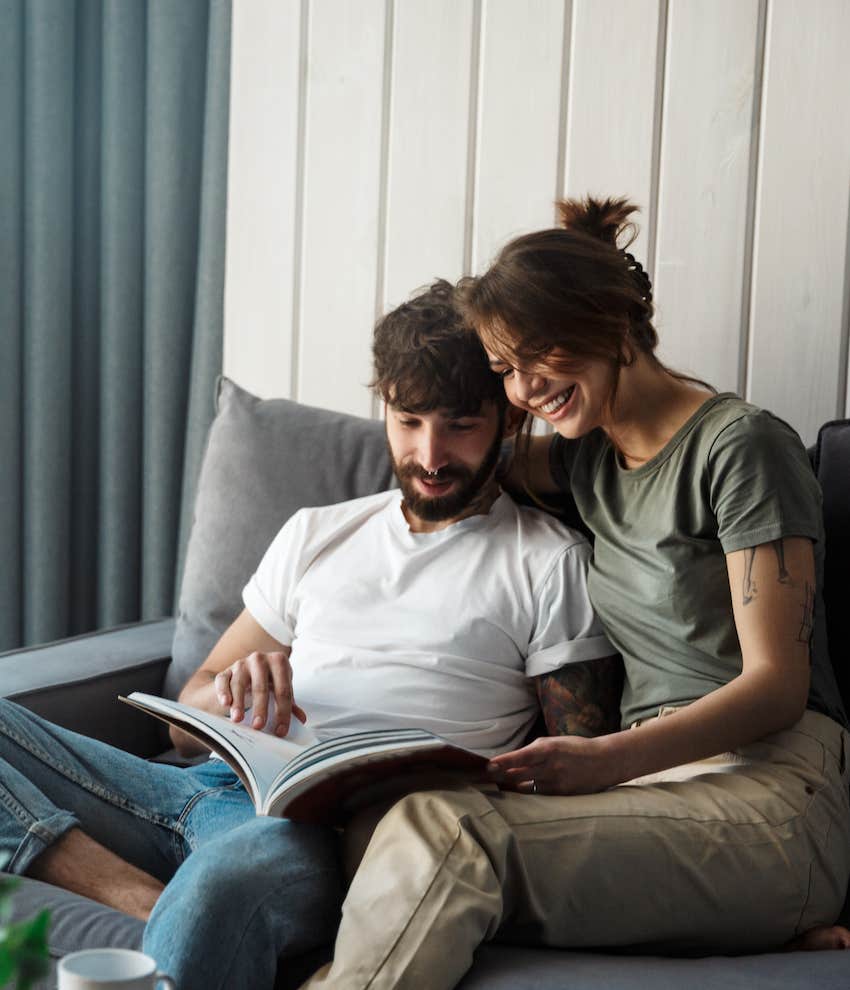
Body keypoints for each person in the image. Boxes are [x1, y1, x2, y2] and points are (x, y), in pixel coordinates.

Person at [0, 279, 618, 990]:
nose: (431, 453)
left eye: (460, 425)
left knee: (218, 896)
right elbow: (183, 730)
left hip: (326, 838)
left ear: (508, 422)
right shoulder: (319, 533)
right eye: (409, 420)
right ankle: (138, 900)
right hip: (200, 786)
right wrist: (232, 694)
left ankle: (168, 907)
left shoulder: (547, 563)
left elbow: (576, 775)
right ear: (384, 403)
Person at [301, 199, 850, 990]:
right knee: (377, 826)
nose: (524, 391)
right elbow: (458, 470)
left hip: (771, 790)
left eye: (536, 359)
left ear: (613, 324)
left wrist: (602, 760)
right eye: (505, 373)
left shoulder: (741, 448)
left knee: (443, 833)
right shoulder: (587, 462)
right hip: (661, 799)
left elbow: (777, 687)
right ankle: (737, 938)